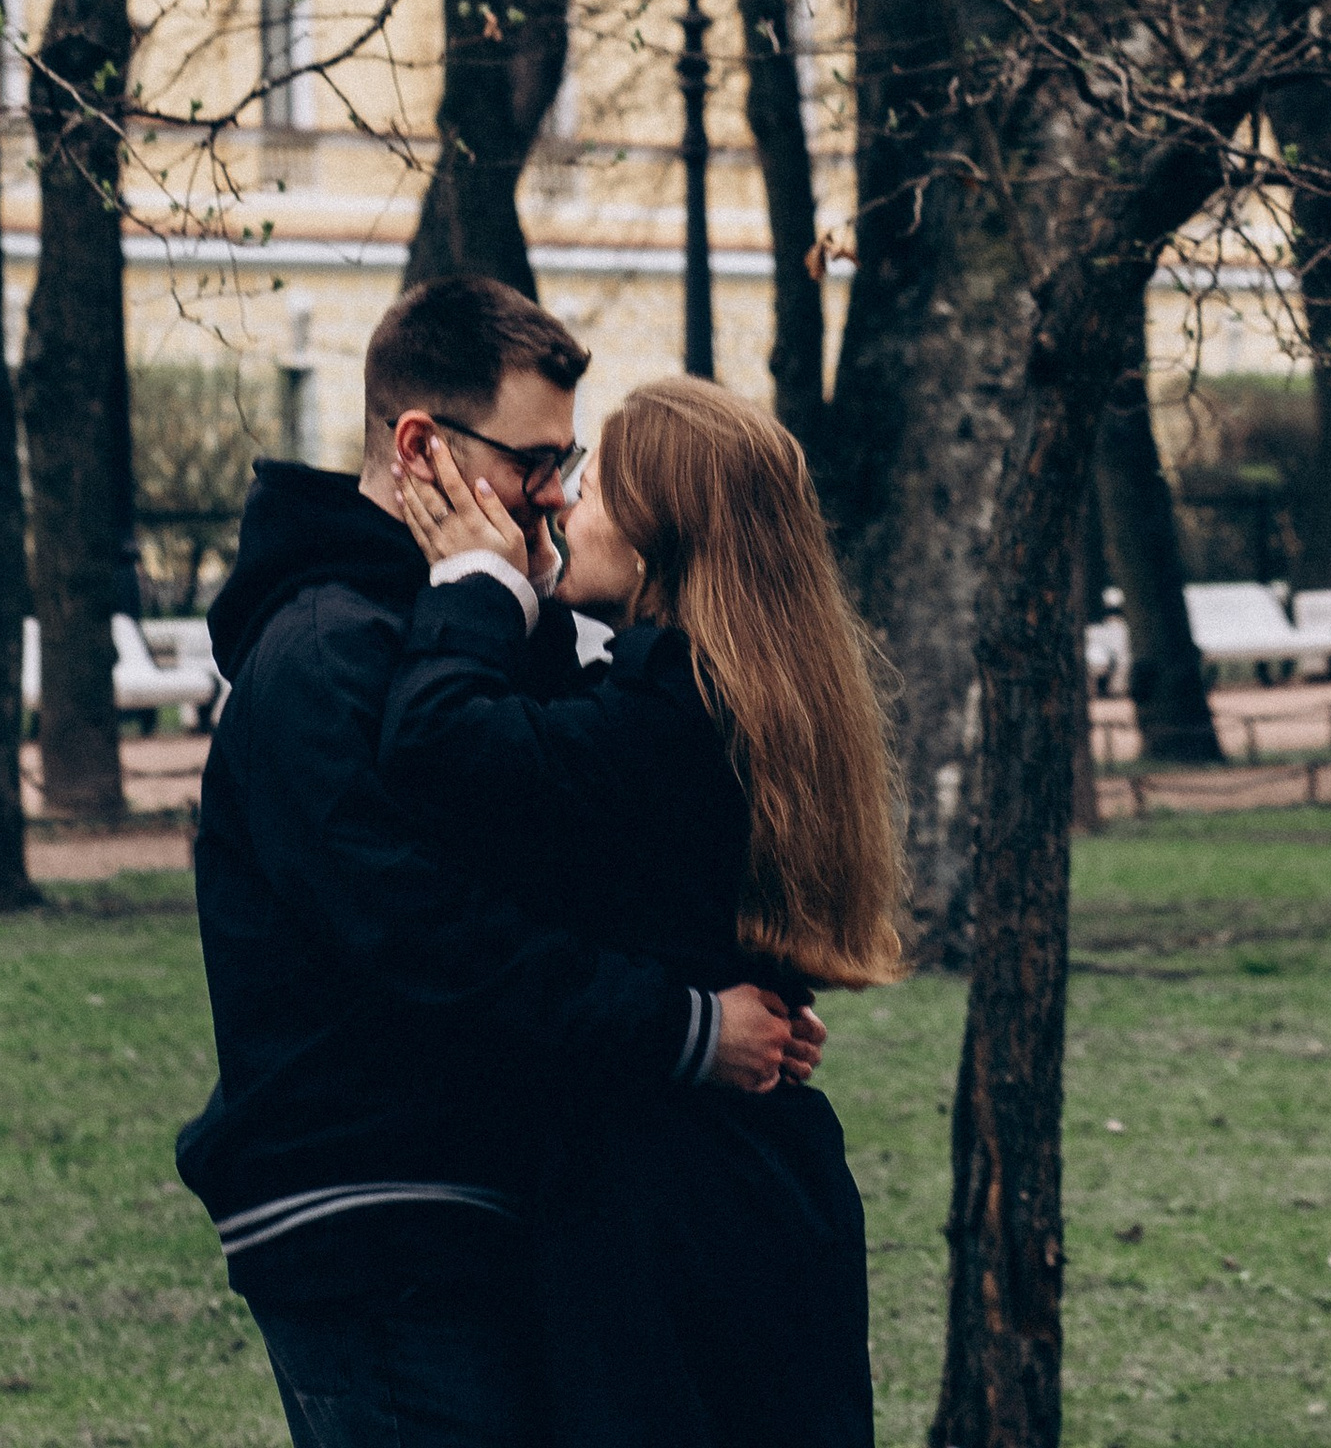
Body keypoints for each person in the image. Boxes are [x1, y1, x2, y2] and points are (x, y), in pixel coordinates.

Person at [178, 277, 811, 1448]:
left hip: (477, 1193)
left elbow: (585, 844)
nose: (560, 493)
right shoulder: (329, 652)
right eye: (535, 461)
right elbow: (420, 934)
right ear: (419, 444)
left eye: (572, 461)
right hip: (373, 1211)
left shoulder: (460, 626)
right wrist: (684, 1027)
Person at [382, 375, 901, 1448]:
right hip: (760, 1188)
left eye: (593, 484)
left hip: (668, 1209)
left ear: (661, 532)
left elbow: (441, 747)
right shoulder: (733, 703)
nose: (563, 503)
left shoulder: (670, 722)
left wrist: (476, 584)